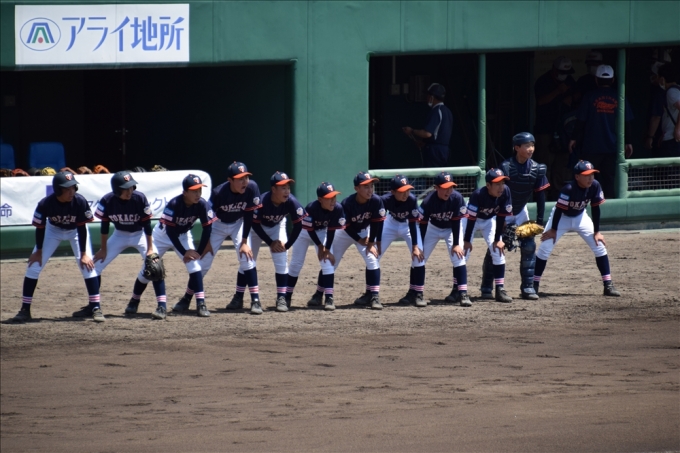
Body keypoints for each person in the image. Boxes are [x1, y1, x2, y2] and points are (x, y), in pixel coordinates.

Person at [11, 171, 102, 323]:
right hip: (53, 231)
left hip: (76, 231)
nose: (71, 191)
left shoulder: (80, 201)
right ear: (58, 190)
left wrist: (84, 254)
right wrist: (39, 251)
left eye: (73, 187)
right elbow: (40, 228)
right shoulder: (46, 203)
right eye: (67, 188)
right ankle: (25, 310)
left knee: (88, 266)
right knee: (33, 266)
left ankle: (96, 307)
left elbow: (81, 228)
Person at [178, 162, 263, 314]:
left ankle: (255, 301)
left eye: (246, 177)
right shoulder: (219, 193)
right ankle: (187, 298)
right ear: (230, 180)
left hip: (238, 223)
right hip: (217, 225)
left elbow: (249, 215)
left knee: (247, 258)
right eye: (240, 179)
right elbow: (207, 218)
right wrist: (207, 242)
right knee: (203, 263)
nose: (244, 181)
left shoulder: (252, 188)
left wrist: (244, 241)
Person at [534, 160, 621, 297]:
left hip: (581, 217)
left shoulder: (595, 185)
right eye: (586, 175)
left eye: (592, 174)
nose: (590, 178)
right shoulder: (568, 189)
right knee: (545, 248)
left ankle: (608, 285)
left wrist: (597, 232)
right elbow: (558, 210)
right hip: (561, 218)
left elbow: (595, 208)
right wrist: (553, 230)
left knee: (599, 246)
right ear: (577, 177)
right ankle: (533, 284)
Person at [480, 133, 550, 300]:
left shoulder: (538, 169)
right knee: (496, 247)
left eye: (532, 145)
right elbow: (497, 194)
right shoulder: (506, 167)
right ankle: (486, 287)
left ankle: (528, 287)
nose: (531, 149)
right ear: (517, 148)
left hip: (520, 211)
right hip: (502, 212)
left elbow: (540, 196)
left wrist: (539, 221)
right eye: (527, 145)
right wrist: (500, 219)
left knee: (529, 246)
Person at [93, 171, 168, 320]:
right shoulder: (107, 200)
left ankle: (162, 306)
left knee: (155, 264)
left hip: (140, 235)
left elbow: (147, 225)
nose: (129, 191)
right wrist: (103, 249)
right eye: (125, 188)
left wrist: (150, 249)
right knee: (95, 267)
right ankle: (93, 305)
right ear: (116, 190)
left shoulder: (139, 198)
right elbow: (104, 226)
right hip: (119, 235)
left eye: (131, 187)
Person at [569, 65, 634, 199]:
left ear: (596, 79)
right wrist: (628, 142)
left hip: (591, 146)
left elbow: (581, 120)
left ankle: (585, 203)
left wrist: (573, 138)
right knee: (610, 180)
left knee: (587, 177)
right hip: (613, 146)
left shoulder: (589, 96)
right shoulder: (619, 97)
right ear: (613, 80)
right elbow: (626, 121)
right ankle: (610, 207)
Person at [249, 171, 306, 313]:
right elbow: (255, 224)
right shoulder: (262, 201)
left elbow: (298, 225)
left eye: (288, 187)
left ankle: (281, 297)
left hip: (277, 226)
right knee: (248, 260)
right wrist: (270, 242)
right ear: (273, 189)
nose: (287, 191)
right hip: (256, 229)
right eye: (283, 188)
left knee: (281, 259)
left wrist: (287, 246)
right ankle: (238, 296)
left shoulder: (291, 201)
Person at [158, 174, 215, 317]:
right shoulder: (174, 204)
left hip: (183, 235)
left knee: (195, 266)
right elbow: (170, 232)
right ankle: (134, 300)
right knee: (150, 269)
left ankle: (201, 304)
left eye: (199, 190)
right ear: (185, 192)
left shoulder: (202, 204)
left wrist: (198, 252)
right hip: (162, 236)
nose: (198, 194)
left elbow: (207, 229)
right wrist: (184, 252)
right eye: (194, 191)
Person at [287, 182, 346, 311]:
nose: (333, 200)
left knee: (327, 261)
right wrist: (320, 246)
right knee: (296, 264)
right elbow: (310, 230)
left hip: (321, 231)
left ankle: (329, 298)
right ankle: (287, 296)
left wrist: (327, 249)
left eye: (334, 196)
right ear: (320, 199)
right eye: (329, 198)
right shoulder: (311, 207)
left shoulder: (337, 208)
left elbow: (331, 230)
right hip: (304, 231)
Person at [333, 171, 386, 309]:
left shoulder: (376, 200)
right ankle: (319, 293)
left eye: (371, 186)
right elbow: (346, 226)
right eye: (366, 186)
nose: (370, 190)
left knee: (372, 259)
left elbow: (376, 223)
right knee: (331, 263)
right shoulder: (347, 203)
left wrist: (371, 242)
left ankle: (374, 296)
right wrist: (359, 239)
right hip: (344, 233)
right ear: (356, 188)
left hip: (364, 232)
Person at [418, 172, 470, 306]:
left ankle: (463, 293)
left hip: (451, 229)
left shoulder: (457, 198)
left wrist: (457, 244)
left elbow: (457, 222)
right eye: (445, 187)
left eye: (451, 187)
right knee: (418, 258)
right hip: (432, 228)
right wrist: (420, 246)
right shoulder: (428, 201)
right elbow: (422, 224)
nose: (449, 190)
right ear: (436, 188)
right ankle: (416, 292)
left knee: (459, 256)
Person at [463, 168, 514, 303]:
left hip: (489, 221)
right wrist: (467, 240)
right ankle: (458, 289)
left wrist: (498, 239)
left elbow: (501, 216)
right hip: (470, 220)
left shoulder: (505, 191)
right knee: (463, 253)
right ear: (488, 185)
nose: (501, 187)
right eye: (497, 184)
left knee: (498, 251)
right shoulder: (478, 194)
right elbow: (471, 219)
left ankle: (500, 289)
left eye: (502, 183)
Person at [379, 175, 426, 307]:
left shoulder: (412, 199)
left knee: (419, 256)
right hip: (391, 223)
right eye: (402, 191)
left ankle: (418, 293)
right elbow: (379, 221)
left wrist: (415, 246)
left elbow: (412, 224)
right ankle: (371, 293)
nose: (406, 194)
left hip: (408, 226)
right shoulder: (385, 199)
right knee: (374, 255)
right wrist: (377, 240)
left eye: (408, 190)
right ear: (393, 192)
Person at [534, 56, 575, 200]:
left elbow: (576, 97)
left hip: (564, 130)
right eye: (562, 72)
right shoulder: (543, 81)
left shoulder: (569, 80)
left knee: (561, 164)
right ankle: (543, 195)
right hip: (545, 129)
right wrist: (558, 91)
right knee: (545, 164)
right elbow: (540, 101)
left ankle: (558, 196)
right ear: (554, 69)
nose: (564, 75)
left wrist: (570, 99)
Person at [402, 83, 453, 167]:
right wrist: (424, 142)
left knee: (432, 174)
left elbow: (427, 133)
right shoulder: (447, 111)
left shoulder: (437, 111)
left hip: (435, 151)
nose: (427, 97)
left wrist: (412, 131)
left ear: (432, 97)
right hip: (444, 151)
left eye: (428, 95)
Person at [657, 62, 680, 157]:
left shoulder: (671, 92)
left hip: (673, 139)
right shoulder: (677, 89)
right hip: (670, 137)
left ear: (662, 79)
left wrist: (677, 129)